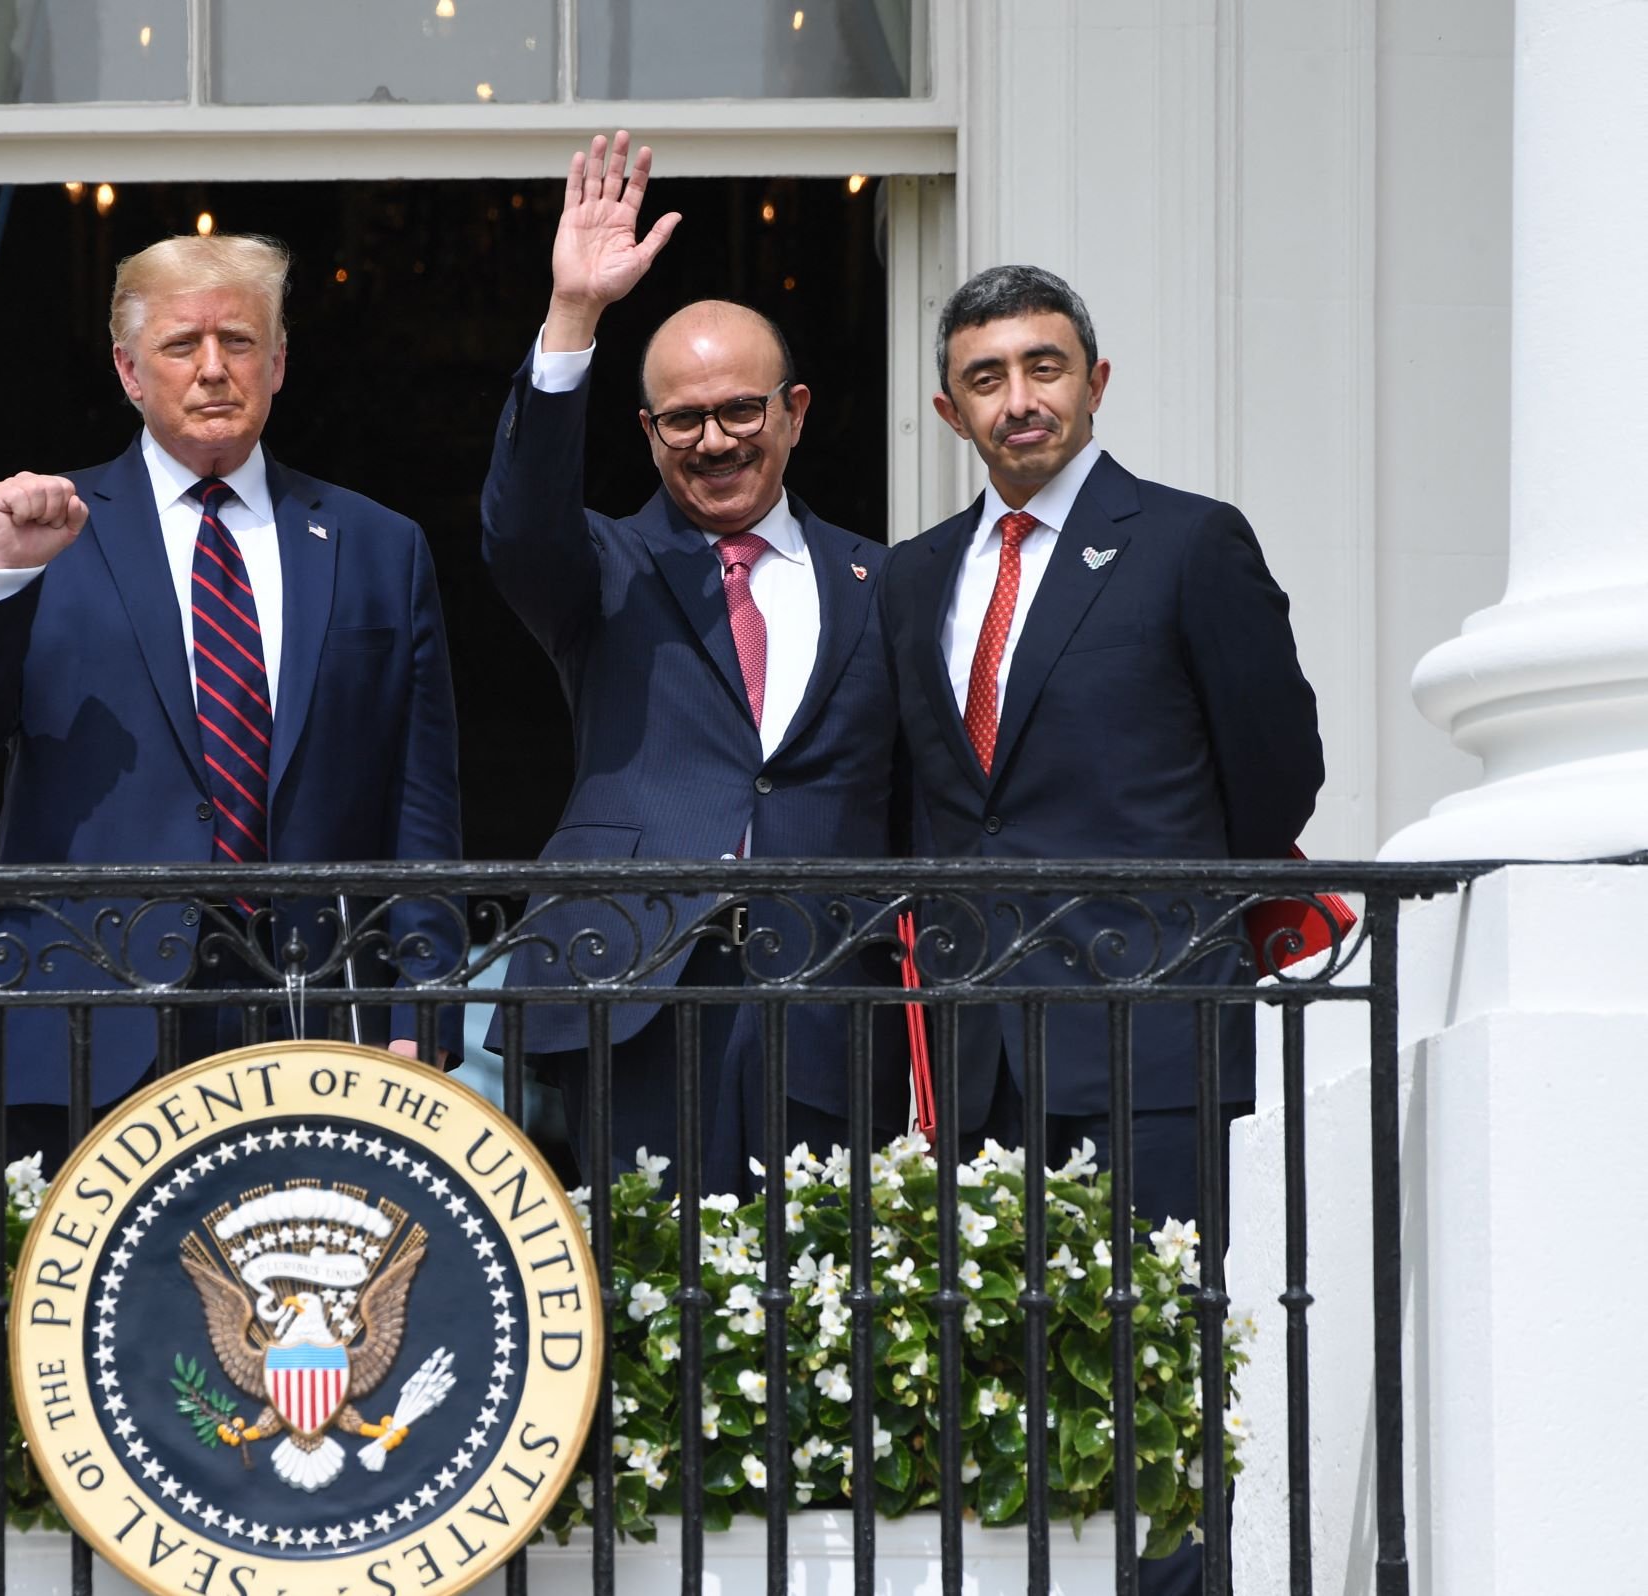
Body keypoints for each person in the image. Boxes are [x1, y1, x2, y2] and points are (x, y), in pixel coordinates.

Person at [877, 264, 1322, 1589]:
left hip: (1150, 1028)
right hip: (974, 1048)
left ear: (1097, 380)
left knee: (1158, 1376)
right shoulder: (909, 583)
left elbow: (1274, 774)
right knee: (990, 1379)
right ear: (951, 411)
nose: (1021, 399)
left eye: (1045, 366)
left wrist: (1175, 924)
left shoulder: (1190, 540)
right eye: (988, 377)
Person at [0, 233, 464, 1169]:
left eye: (239, 342)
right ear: (129, 369)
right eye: (181, 345)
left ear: (278, 362)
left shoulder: (376, 544)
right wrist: (1, 579)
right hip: (85, 1016)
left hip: (311, 1014)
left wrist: (421, 1012)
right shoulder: (42, 525)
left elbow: (421, 804)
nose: (214, 369)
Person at [483, 132, 907, 1193]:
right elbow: (519, 522)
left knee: (816, 1308)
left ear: (794, 413)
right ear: (646, 428)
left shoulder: (888, 583)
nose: (712, 440)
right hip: (628, 992)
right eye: (681, 419)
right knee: (643, 1299)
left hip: (824, 997)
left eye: (739, 411)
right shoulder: (604, 567)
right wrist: (571, 318)